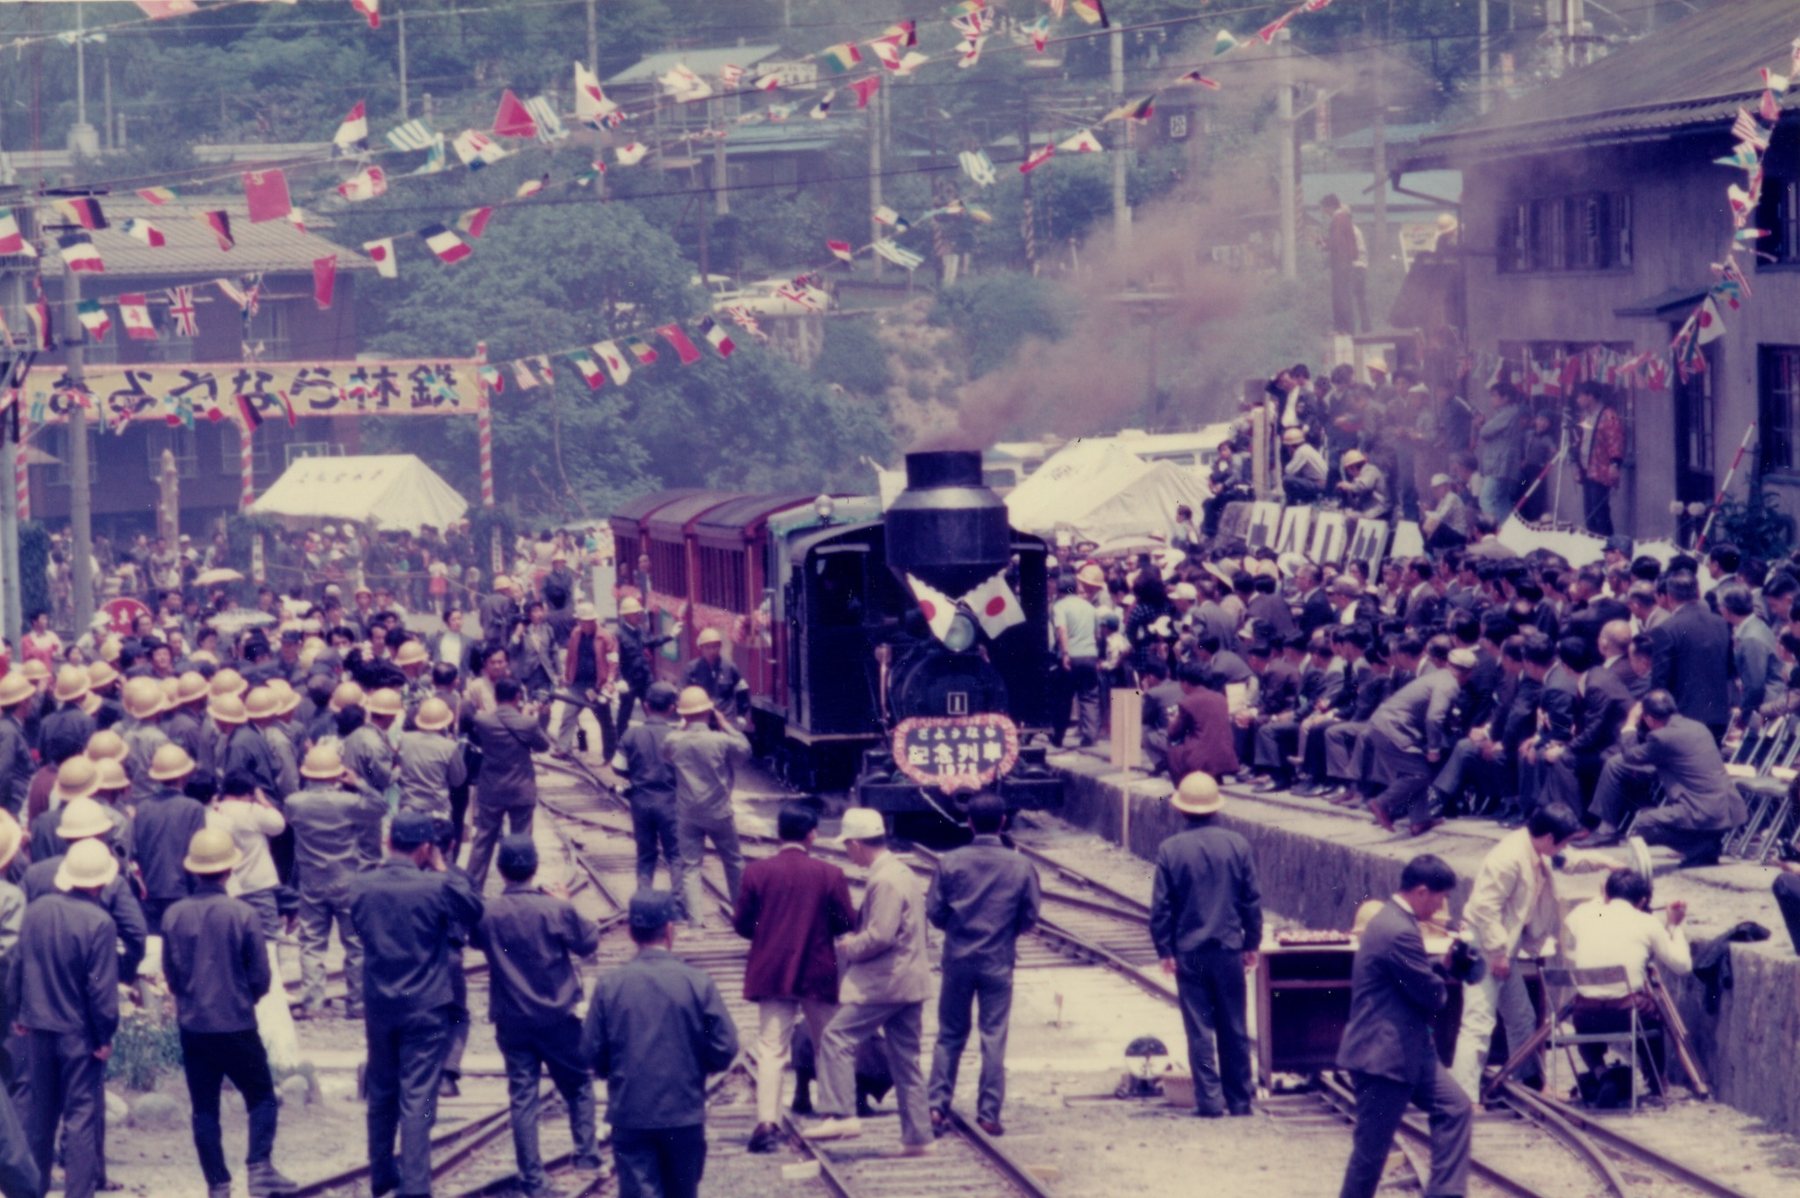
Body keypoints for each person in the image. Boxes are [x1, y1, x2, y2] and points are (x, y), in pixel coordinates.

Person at [349, 811, 483, 1198]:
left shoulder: (362, 886)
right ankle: (417, 1185)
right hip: (426, 1004)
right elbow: (474, 910)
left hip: (379, 1004)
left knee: (382, 1090)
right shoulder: (436, 887)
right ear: (426, 848)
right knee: (418, 1098)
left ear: (389, 842)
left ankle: (381, 1175)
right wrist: (442, 869)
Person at [161, 827, 298, 1198]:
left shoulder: (174, 915)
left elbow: (171, 974)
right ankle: (259, 1167)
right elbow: (260, 976)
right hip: (236, 1021)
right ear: (228, 869)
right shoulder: (243, 913)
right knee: (262, 1096)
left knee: (204, 1108)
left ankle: (218, 1185)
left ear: (194, 869)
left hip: (193, 1025)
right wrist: (243, 998)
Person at [580, 891, 739, 1198]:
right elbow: (725, 1046)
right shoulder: (697, 982)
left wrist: (610, 1071)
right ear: (670, 930)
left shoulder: (609, 985)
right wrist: (697, 1068)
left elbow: (590, 1051)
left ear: (630, 932)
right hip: (684, 1111)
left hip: (630, 1111)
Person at [471, 838, 603, 1193]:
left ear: (500, 871)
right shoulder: (553, 910)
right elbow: (589, 942)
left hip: (511, 1017)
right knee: (578, 1085)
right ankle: (586, 1154)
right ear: (534, 868)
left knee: (522, 1096)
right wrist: (566, 904)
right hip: (557, 1014)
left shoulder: (488, 913)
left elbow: (473, 938)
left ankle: (531, 1176)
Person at [1336, 854, 1471, 1198]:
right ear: (1423, 892)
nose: (1441, 906)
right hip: (1383, 1057)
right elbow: (1430, 995)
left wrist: (1439, 968)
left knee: (1455, 1107)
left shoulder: (1392, 921)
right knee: (1371, 1153)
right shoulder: (1398, 931)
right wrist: (1444, 979)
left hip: (1409, 1050)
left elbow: (1412, 978)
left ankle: (1446, 1193)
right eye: (1440, 898)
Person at [803, 808, 933, 1154]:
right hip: (909, 981)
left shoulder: (884, 879)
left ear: (858, 844)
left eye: (847, 846)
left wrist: (849, 947)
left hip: (887, 982)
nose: (847, 852)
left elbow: (880, 935)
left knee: (836, 1036)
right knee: (906, 1060)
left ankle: (841, 1113)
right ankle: (919, 1137)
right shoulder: (900, 871)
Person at [732, 803, 856, 1154]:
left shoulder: (756, 873)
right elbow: (845, 922)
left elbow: (743, 924)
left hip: (771, 971)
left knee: (771, 1050)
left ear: (778, 833)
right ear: (812, 834)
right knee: (828, 1043)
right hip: (817, 970)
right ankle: (834, 1112)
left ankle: (766, 1123)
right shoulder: (829, 873)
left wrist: (767, 931)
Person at [1448, 804, 1588, 1100]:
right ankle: (1465, 1097)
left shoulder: (1538, 850)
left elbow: (1572, 861)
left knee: (1522, 1017)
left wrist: (1610, 865)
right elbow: (1485, 908)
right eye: (1562, 841)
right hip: (1482, 946)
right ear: (1549, 837)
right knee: (1478, 1021)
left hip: (1502, 949)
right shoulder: (1508, 857)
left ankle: (1530, 1084)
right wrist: (1498, 952)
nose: (1564, 847)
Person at [926, 794, 1040, 1137]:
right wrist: (1005, 934)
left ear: (969, 822)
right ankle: (989, 1114)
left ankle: (935, 1107)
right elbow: (1030, 915)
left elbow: (935, 912)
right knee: (993, 1037)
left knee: (949, 1035)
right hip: (998, 961)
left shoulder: (951, 862)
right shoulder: (1020, 865)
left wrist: (959, 931)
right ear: (1003, 821)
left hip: (958, 959)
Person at [1149, 774, 1262, 1118]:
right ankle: (1240, 1101)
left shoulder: (1171, 849)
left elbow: (1161, 908)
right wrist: (1252, 942)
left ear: (1182, 809)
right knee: (1234, 1026)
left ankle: (1210, 1102)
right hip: (1229, 948)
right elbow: (1251, 901)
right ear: (1215, 808)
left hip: (1189, 952)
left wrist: (1165, 950)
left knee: (1199, 1028)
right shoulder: (1237, 845)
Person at [16, 839, 119, 1198]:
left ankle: (32, 1191)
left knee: (40, 1115)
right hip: (79, 1034)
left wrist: (19, 1010)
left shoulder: (36, 910)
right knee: (80, 1117)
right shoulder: (100, 922)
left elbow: (18, 963)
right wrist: (104, 1036)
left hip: (37, 1026)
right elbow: (101, 992)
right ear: (98, 881)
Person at [1562, 868, 1690, 1094]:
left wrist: (1602, 898)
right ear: (1642, 901)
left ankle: (1601, 1073)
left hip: (1585, 1017)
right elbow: (1683, 966)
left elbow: (1574, 919)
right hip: (1627, 1015)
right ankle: (1656, 1080)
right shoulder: (1647, 922)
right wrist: (1674, 926)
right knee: (1652, 1014)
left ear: (1607, 895)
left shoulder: (1584, 914)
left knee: (1583, 1004)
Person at [1589, 689, 1747, 866]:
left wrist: (1630, 724)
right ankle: (1704, 844)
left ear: (1648, 718)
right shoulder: (1697, 726)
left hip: (1702, 811)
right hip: (1726, 808)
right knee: (1618, 767)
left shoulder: (1662, 737)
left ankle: (1698, 847)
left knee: (1645, 823)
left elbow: (1630, 755)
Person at [286, 745, 386, 1021]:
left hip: (311, 881)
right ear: (336, 774)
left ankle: (313, 1003)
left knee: (311, 943)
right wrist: (360, 784)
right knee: (355, 943)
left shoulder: (295, 802)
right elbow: (380, 807)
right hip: (346, 879)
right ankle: (357, 1004)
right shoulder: (348, 803)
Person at [664, 686, 750, 928]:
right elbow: (745, 750)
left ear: (684, 714)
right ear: (709, 711)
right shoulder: (720, 740)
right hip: (720, 812)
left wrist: (683, 727)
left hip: (687, 813)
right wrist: (725, 724)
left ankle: (696, 921)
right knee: (733, 861)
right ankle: (741, 915)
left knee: (690, 866)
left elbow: (667, 752)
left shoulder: (674, 741)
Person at [1367, 647, 1477, 835]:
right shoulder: (1449, 684)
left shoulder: (1438, 677)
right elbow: (1434, 717)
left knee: (1415, 773)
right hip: (1393, 728)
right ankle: (1382, 803)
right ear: (1469, 673)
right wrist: (1434, 748)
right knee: (1420, 774)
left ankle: (1419, 820)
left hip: (1385, 725)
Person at [468, 679, 550, 890]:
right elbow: (543, 746)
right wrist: (533, 717)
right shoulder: (527, 723)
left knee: (483, 840)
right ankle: (520, 887)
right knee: (522, 840)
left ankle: (472, 887)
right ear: (517, 697)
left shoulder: (482, 721)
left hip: (491, 788)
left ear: (496, 698)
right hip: (521, 789)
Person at [612, 682, 684, 895]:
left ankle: (643, 897)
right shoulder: (678, 737)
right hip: (672, 803)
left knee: (645, 854)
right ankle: (680, 906)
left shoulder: (631, 734)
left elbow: (618, 767)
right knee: (676, 855)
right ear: (672, 708)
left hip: (641, 802)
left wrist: (635, 775)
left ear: (645, 705)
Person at [1646, 572, 1733, 742]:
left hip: (1683, 718)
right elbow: (1729, 669)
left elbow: (1660, 681)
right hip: (1718, 715)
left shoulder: (1666, 629)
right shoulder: (1721, 623)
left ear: (1670, 597)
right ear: (1698, 593)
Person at [133, 744, 208, 935]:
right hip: (183, 893)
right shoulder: (193, 808)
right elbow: (197, 852)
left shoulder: (142, 808)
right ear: (184, 775)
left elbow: (134, 853)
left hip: (150, 893)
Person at [555, 602, 616, 760]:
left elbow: (613, 661)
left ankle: (610, 755)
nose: (582, 624)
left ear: (592, 620)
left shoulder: (605, 637)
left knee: (604, 720)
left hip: (597, 686)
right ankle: (563, 748)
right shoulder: (576, 634)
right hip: (577, 684)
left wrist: (609, 681)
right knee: (568, 715)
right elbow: (571, 657)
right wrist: (566, 675)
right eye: (580, 621)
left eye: (584, 621)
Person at [1052, 575, 1101, 749]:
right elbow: (1097, 635)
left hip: (1071, 655)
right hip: (1089, 654)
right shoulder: (1089, 607)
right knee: (1089, 697)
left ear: (1059, 590)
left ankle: (1058, 736)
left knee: (1063, 697)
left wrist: (1065, 652)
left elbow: (1062, 630)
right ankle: (1090, 737)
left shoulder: (1059, 606)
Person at [1574, 382, 1626, 536]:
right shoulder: (1586, 416)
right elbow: (1582, 440)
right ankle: (1593, 549)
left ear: (1590, 396)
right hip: (1587, 469)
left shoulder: (1608, 415)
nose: (1578, 400)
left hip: (1601, 470)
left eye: (1580, 396)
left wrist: (1615, 464)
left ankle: (1607, 547)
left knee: (1600, 513)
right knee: (1589, 515)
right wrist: (1577, 464)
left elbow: (1615, 440)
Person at [1321, 194, 1368, 334]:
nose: (1324, 212)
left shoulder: (1338, 219)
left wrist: (1326, 245)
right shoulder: (1345, 219)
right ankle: (1347, 327)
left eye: (1324, 208)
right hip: (1347, 261)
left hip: (1340, 262)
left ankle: (1343, 327)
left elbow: (1337, 241)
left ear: (1329, 207)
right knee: (1345, 295)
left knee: (1340, 295)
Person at [683, 628, 748, 722]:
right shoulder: (692, 668)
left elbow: (742, 690)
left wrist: (741, 715)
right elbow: (683, 692)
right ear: (701, 648)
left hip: (726, 719)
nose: (712, 651)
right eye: (707, 647)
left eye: (715, 647)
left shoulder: (729, 667)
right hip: (701, 719)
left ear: (720, 647)